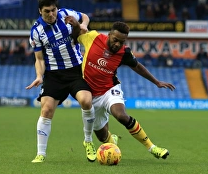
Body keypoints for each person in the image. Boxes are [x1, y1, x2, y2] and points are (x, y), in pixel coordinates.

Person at [67, 18, 176, 159]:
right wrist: (76, 25)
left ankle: (152, 148)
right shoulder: (93, 38)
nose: (117, 44)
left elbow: (137, 66)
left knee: (121, 115)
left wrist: (156, 82)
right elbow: (76, 36)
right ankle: (112, 142)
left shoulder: (124, 53)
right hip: (90, 94)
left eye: (122, 42)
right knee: (102, 136)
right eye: (115, 40)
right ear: (109, 34)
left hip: (109, 90)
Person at [25, 0, 96, 163]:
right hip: (54, 75)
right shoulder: (36, 31)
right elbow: (39, 59)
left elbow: (85, 16)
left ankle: (88, 141)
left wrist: (83, 25)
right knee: (46, 110)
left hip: (76, 70)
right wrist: (39, 76)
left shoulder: (65, 14)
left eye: (53, 10)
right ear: (40, 11)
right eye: (47, 11)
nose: (51, 14)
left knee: (86, 101)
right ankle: (41, 153)